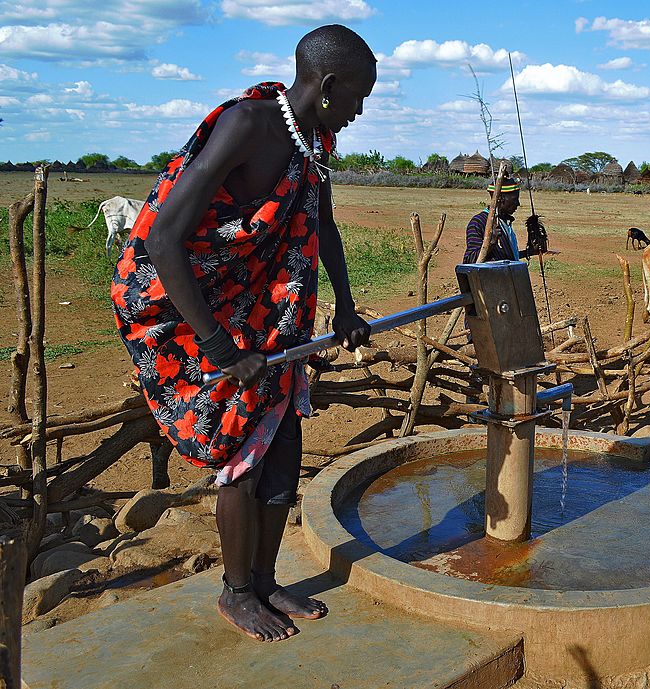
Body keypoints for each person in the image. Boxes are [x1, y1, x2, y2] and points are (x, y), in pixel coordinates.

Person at [111, 25, 376, 643]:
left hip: (264, 317)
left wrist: (344, 303)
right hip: (187, 309)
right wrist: (218, 346)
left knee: (282, 449)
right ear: (330, 85)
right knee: (242, 456)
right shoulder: (248, 125)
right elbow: (162, 237)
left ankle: (262, 580)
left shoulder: (314, 139)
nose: (362, 110)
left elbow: (321, 221)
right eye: (360, 96)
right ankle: (235, 594)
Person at [462, 179, 543, 264]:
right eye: (515, 199)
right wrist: (490, 243)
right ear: (500, 198)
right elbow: (470, 260)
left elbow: (505, 258)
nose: (518, 203)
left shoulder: (505, 221)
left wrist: (529, 252)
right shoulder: (478, 222)